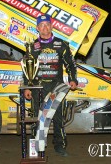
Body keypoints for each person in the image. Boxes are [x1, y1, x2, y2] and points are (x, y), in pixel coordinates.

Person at [23, 14, 78, 157]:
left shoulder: (61, 44)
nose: (45, 27)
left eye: (47, 24)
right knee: (37, 116)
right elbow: (25, 68)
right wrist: (27, 86)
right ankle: (36, 146)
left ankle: (60, 146)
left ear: (52, 26)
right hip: (38, 87)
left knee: (58, 117)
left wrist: (73, 79)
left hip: (56, 86)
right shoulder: (32, 47)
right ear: (37, 28)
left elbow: (71, 64)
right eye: (41, 25)